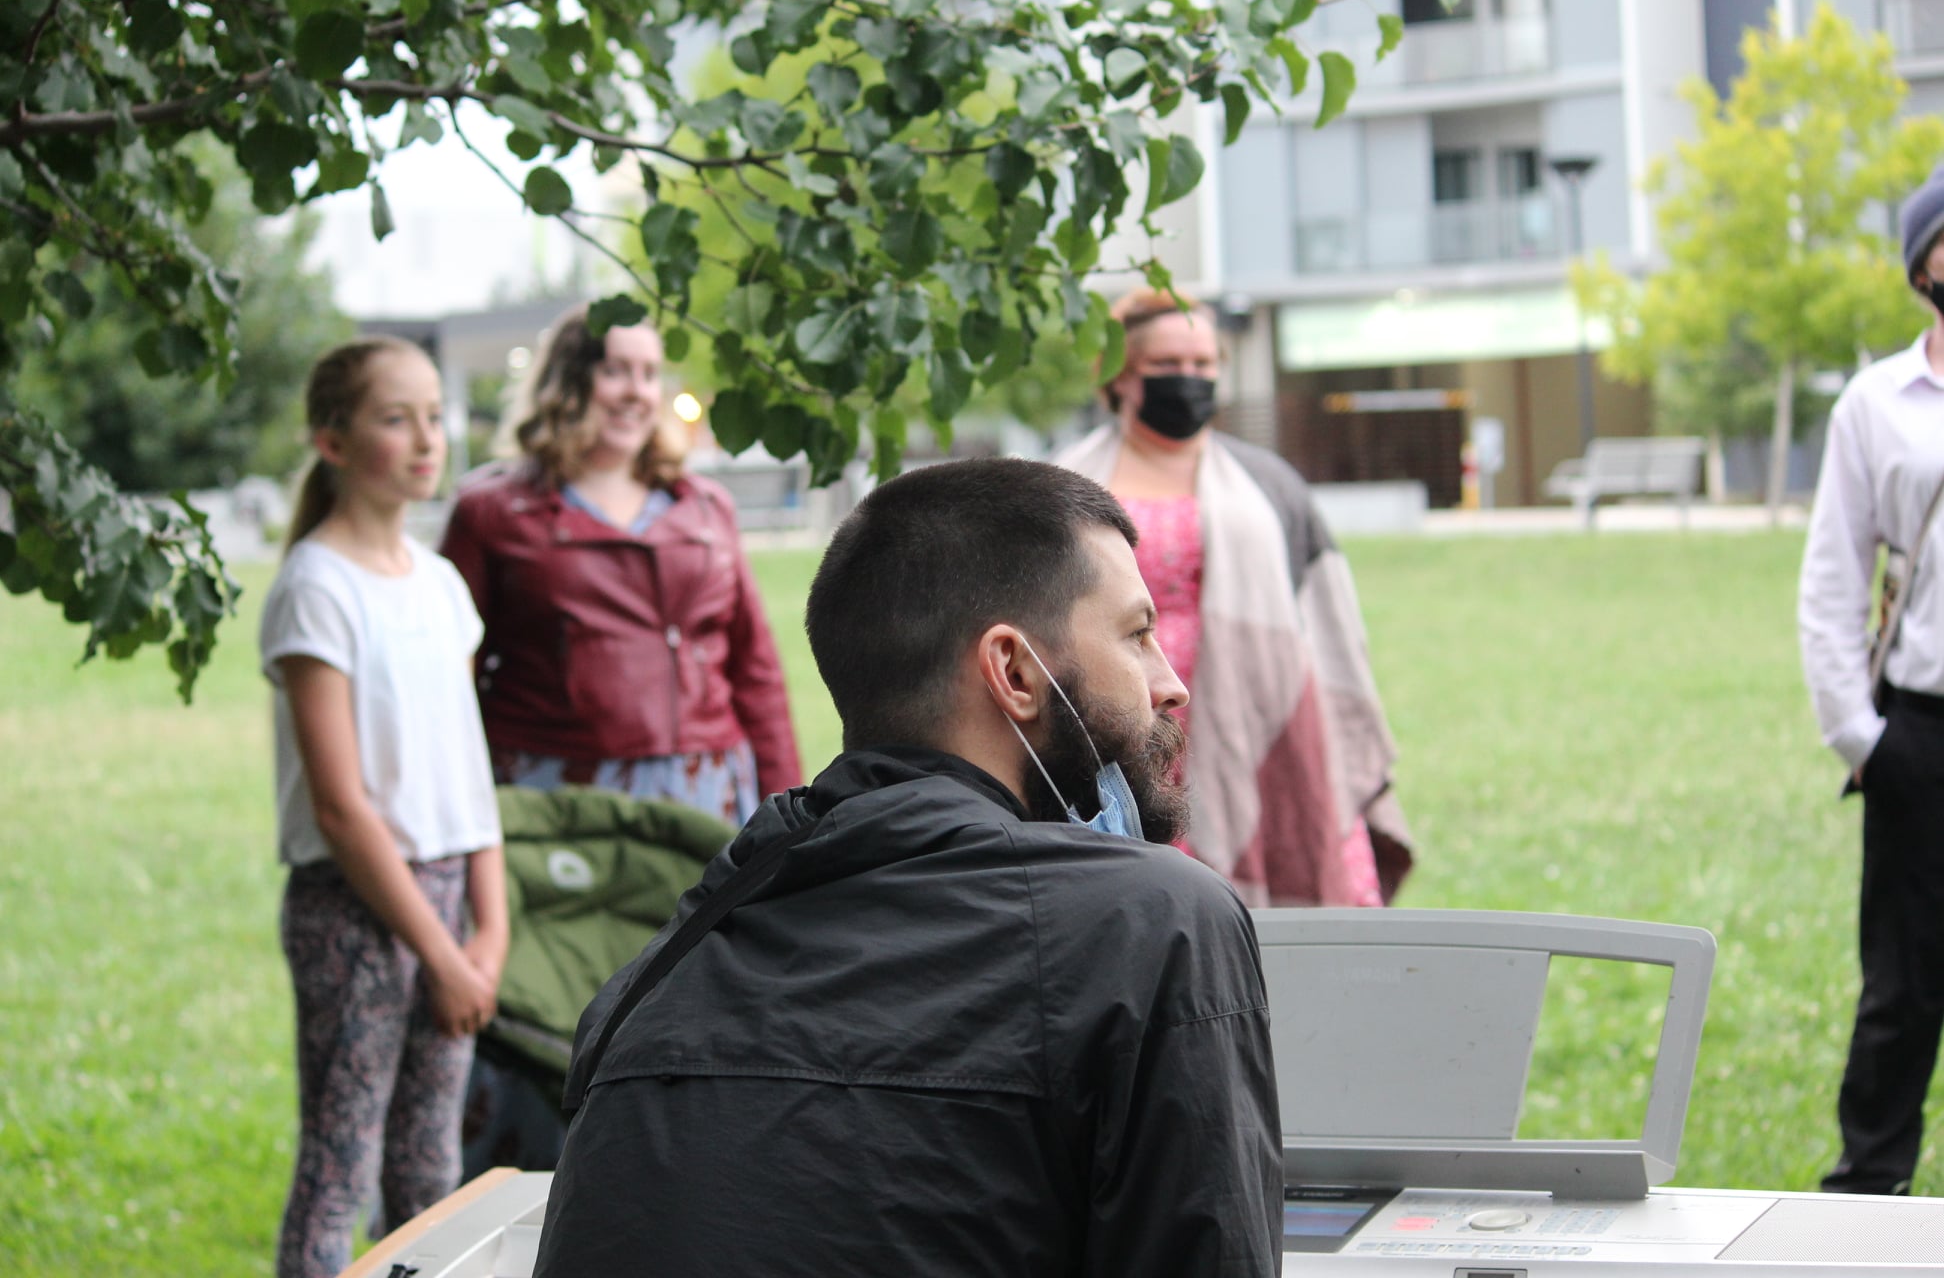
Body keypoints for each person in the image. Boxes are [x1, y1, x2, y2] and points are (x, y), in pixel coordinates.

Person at [533, 458, 1283, 1277]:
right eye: (1137, 634)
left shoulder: (665, 965)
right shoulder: (1155, 924)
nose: (1169, 686)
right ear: (1017, 672)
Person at [259, 338, 508, 1278]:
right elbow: (339, 804)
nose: (425, 438)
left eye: (435, 416)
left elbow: (465, 769)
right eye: (395, 418)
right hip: (355, 909)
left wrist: (490, 928)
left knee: (431, 1168)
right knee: (341, 1162)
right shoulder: (316, 588)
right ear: (331, 441)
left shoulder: (443, 588)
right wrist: (440, 953)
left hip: (449, 904)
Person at [1055, 289, 1413, 907]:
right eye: (1167, 367)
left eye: (1204, 365)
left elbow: (1329, 622)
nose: (1189, 380)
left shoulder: (1269, 484)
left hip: (1260, 727)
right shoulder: (1064, 483)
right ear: (1120, 375)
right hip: (1119, 725)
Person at [439, 306, 801, 825]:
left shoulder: (705, 507)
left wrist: (785, 812)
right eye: (615, 370)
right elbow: (449, 677)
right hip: (552, 791)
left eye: (649, 374)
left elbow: (755, 669)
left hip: (705, 788)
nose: (637, 391)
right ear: (566, 379)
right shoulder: (492, 511)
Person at [1799, 160, 1944, 1197]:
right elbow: (1832, 578)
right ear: (1923, 262)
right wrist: (1862, 735)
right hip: (1922, 732)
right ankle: (1869, 1188)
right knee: (1902, 983)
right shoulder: (1877, 403)